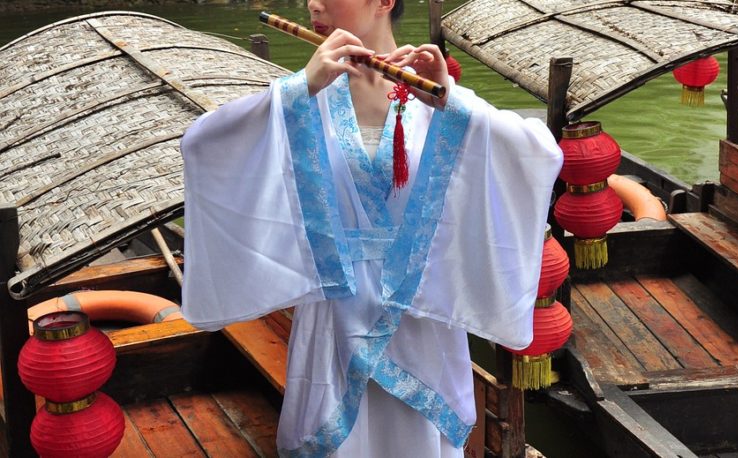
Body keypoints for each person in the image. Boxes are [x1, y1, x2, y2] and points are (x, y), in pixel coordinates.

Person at [180, 0, 562, 456]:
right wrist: (299, 87)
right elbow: (203, 144)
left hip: (420, 310)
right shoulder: (306, 94)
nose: (312, 5)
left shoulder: (435, 93)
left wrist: (451, 100)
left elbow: (538, 156)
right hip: (334, 314)